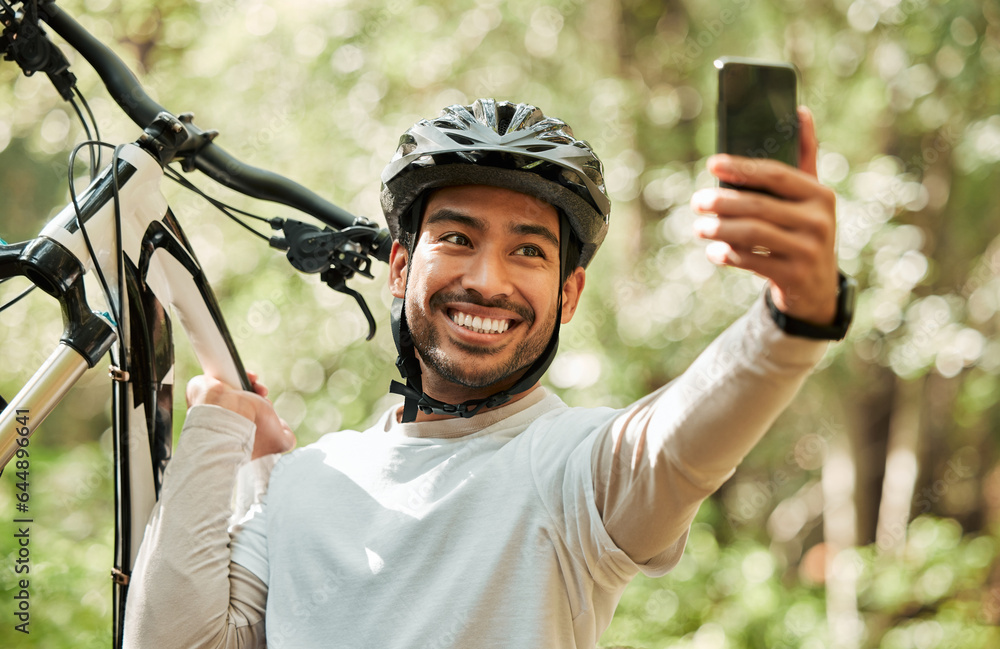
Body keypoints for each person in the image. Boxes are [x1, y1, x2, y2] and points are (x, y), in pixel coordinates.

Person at [123, 98, 852, 648]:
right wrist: (222, 424)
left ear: (568, 293)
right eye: (457, 237)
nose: (487, 279)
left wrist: (792, 316)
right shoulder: (298, 481)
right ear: (402, 267)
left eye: (529, 251)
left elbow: (677, 440)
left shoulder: (576, 470)